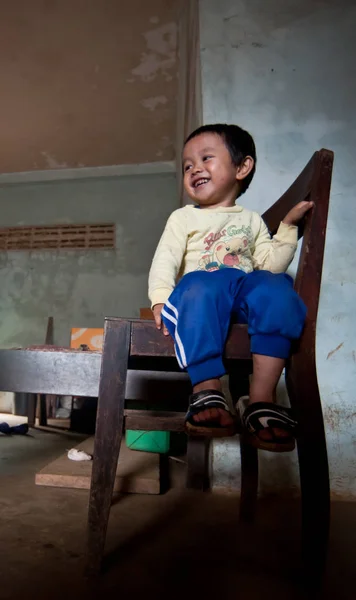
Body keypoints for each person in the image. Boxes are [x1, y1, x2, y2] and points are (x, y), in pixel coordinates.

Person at [148, 124, 312, 452]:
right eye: (188, 165)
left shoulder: (251, 221)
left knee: (278, 288)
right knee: (199, 285)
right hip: (202, 298)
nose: (195, 168)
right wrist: (160, 299)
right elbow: (164, 259)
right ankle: (207, 388)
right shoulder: (183, 218)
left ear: (242, 167)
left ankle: (261, 399)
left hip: (241, 295)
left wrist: (288, 228)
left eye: (206, 158)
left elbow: (269, 265)